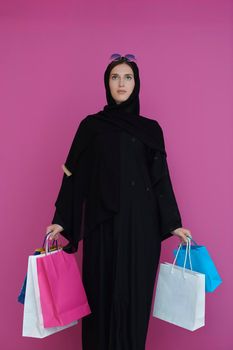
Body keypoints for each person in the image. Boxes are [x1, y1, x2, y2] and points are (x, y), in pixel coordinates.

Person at [46, 53, 192, 350]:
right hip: (102, 226)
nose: (121, 83)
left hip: (142, 230)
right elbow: (75, 177)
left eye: (127, 77)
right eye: (115, 77)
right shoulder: (91, 126)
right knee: (100, 297)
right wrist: (61, 218)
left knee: (133, 303)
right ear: (106, 84)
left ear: (136, 84)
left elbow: (160, 180)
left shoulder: (151, 129)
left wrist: (174, 225)